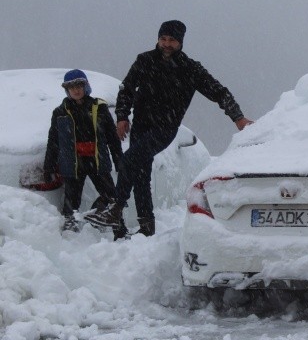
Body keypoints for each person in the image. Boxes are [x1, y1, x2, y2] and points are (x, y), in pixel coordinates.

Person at [84, 20, 253, 236]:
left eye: (172, 40)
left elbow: (218, 92)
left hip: (164, 129)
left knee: (128, 161)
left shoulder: (190, 69)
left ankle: (114, 209)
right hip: (141, 126)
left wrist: (237, 117)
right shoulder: (145, 60)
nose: (166, 44)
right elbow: (126, 88)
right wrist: (122, 116)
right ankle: (146, 227)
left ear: (180, 43)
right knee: (140, 175)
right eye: (163, 39)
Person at [43, 69, 127, 239]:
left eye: (79, 85)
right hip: (73, 163)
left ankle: (120, 231)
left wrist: (119, 161)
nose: (76, 90)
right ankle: (69, 234)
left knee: (112, 197)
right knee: (71, 201)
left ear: (86, 86)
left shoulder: (99, 107)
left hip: (97, 161)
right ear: (67, 90)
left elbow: (112, 137)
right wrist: (48, 166)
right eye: (71, 87)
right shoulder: (60, 112)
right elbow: (53, 141)